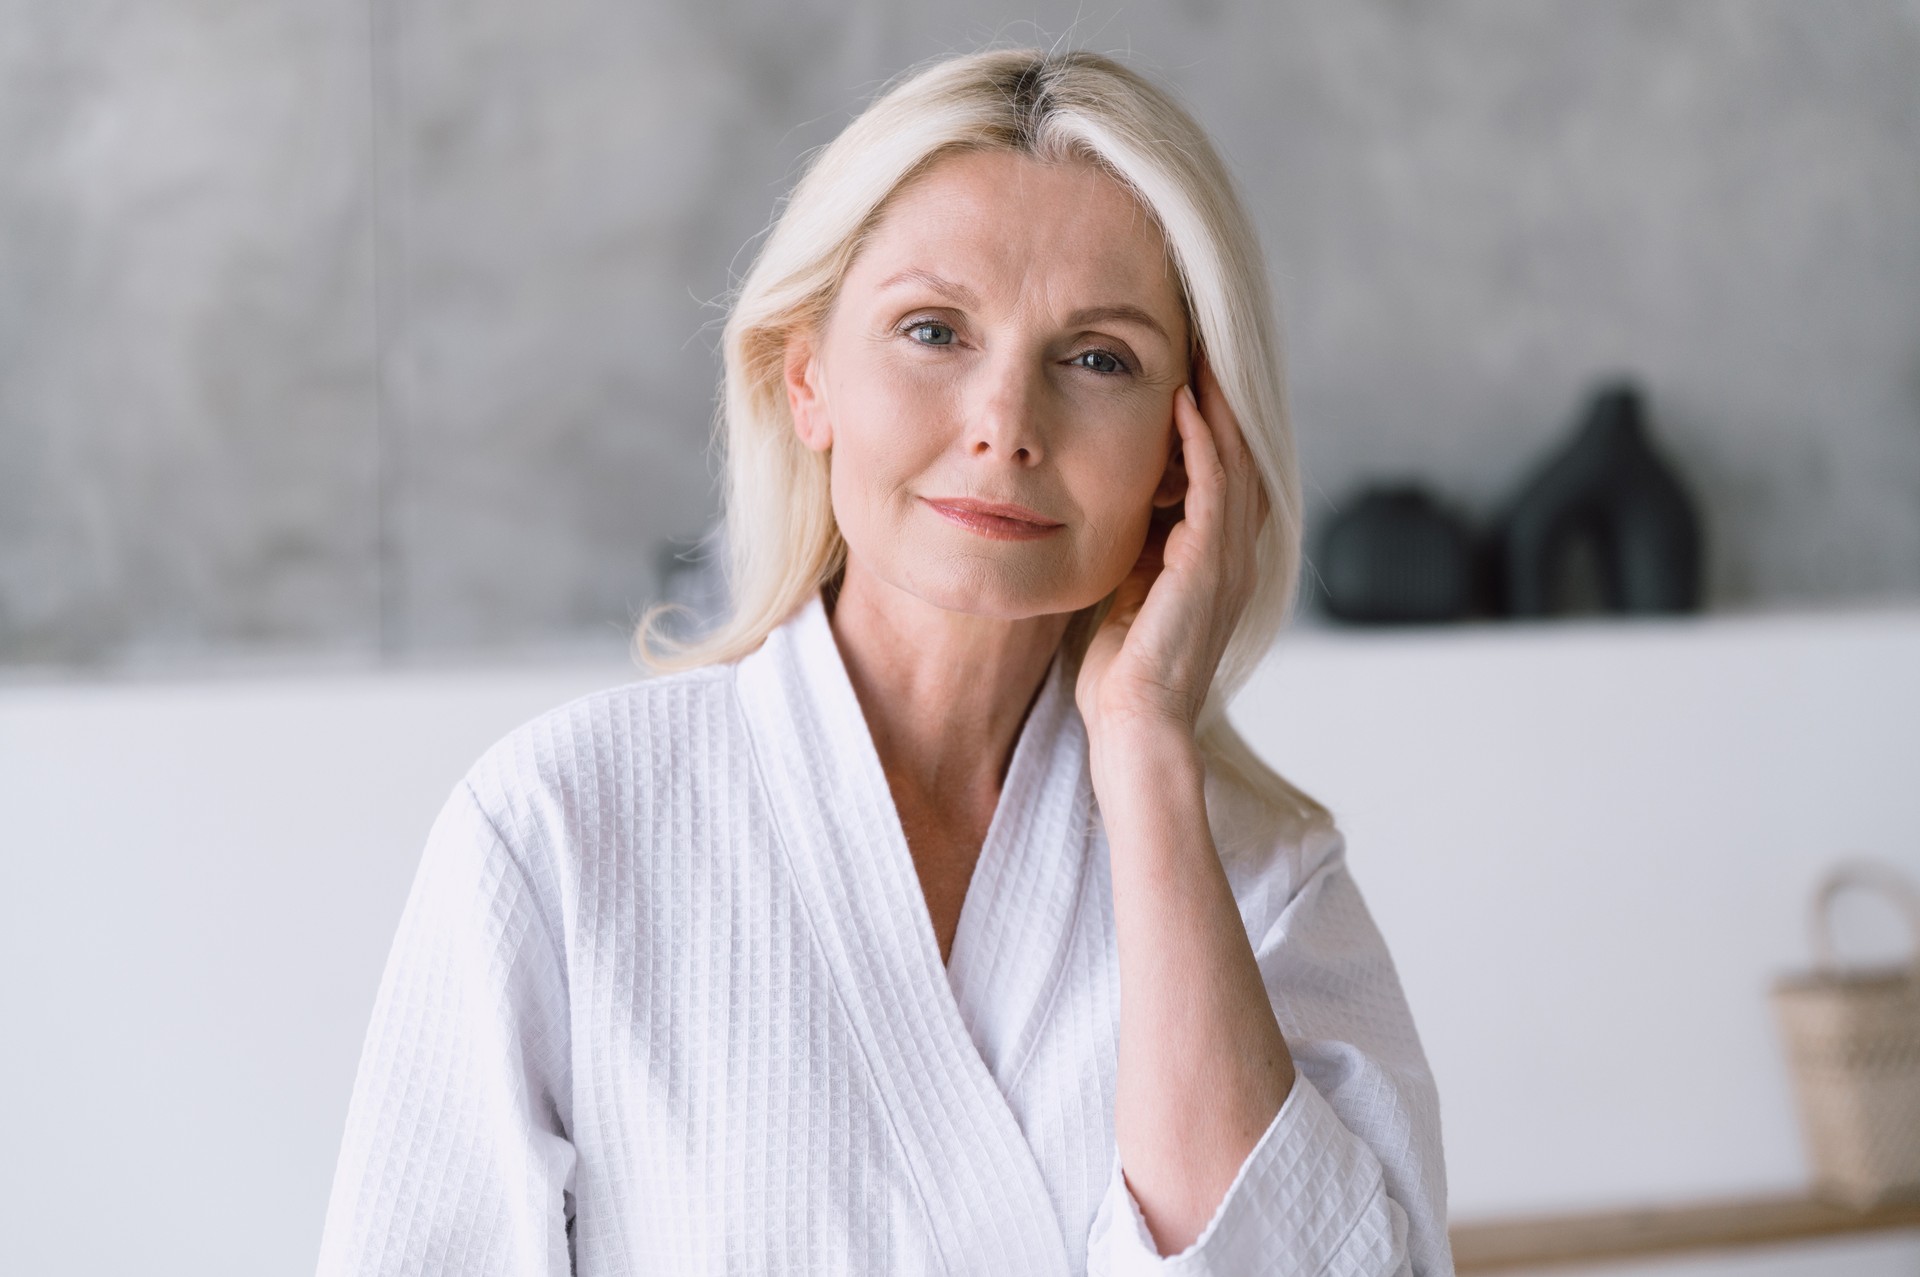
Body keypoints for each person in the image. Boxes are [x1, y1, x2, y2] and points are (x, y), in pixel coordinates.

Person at [317, 46, 1451, 1276]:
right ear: (808, 382)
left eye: (1099, 357)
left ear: (1188, 454)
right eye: (932, 329)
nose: (1005, 424)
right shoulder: (555, 830)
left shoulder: (1268, 886)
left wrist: (1149, 750)